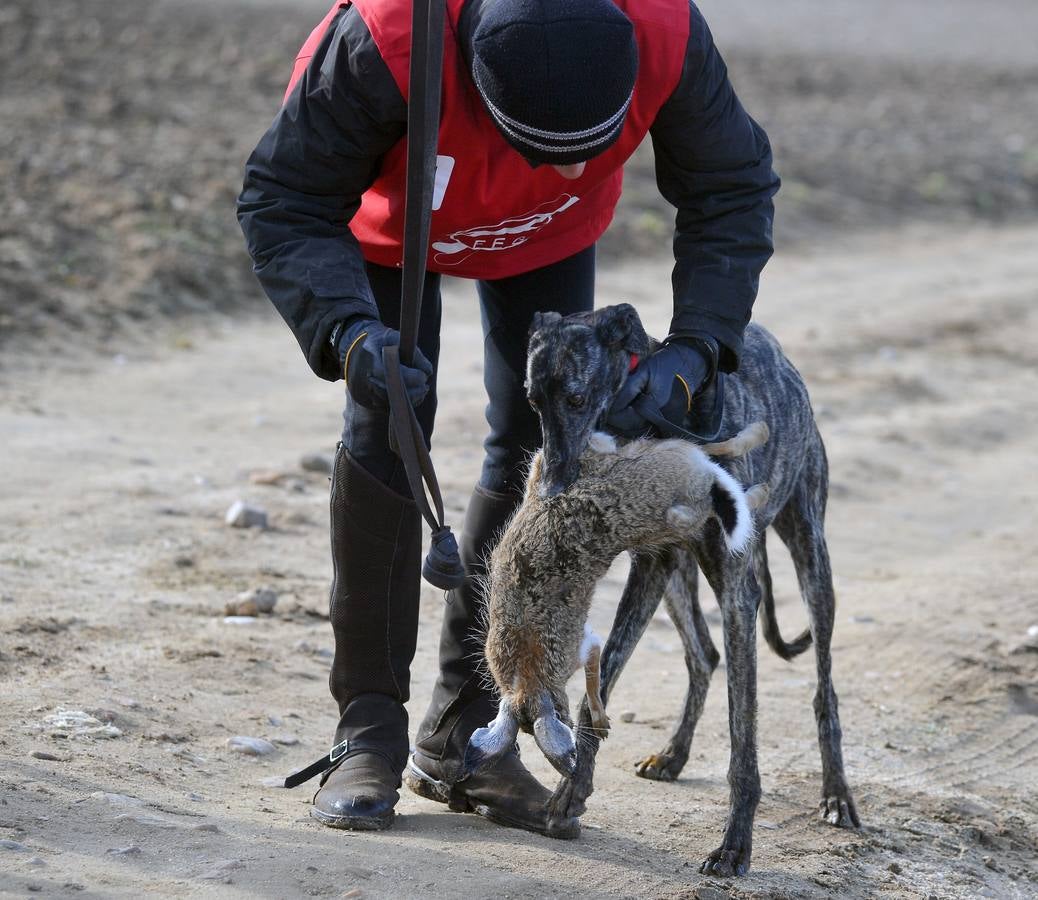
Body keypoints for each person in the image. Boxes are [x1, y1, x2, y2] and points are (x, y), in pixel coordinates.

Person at [237, 0, 779, 838]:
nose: (564, 173)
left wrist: (699, 347)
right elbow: (283, 195)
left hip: (546, 242)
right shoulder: (384, 44)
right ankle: (367, 732)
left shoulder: (666, 30)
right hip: (393, 230)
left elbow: (732, 187)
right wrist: (345, 331)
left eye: (588, 157)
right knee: (390, 418)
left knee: (546, 451)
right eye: (542, 154)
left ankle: (462, 739)